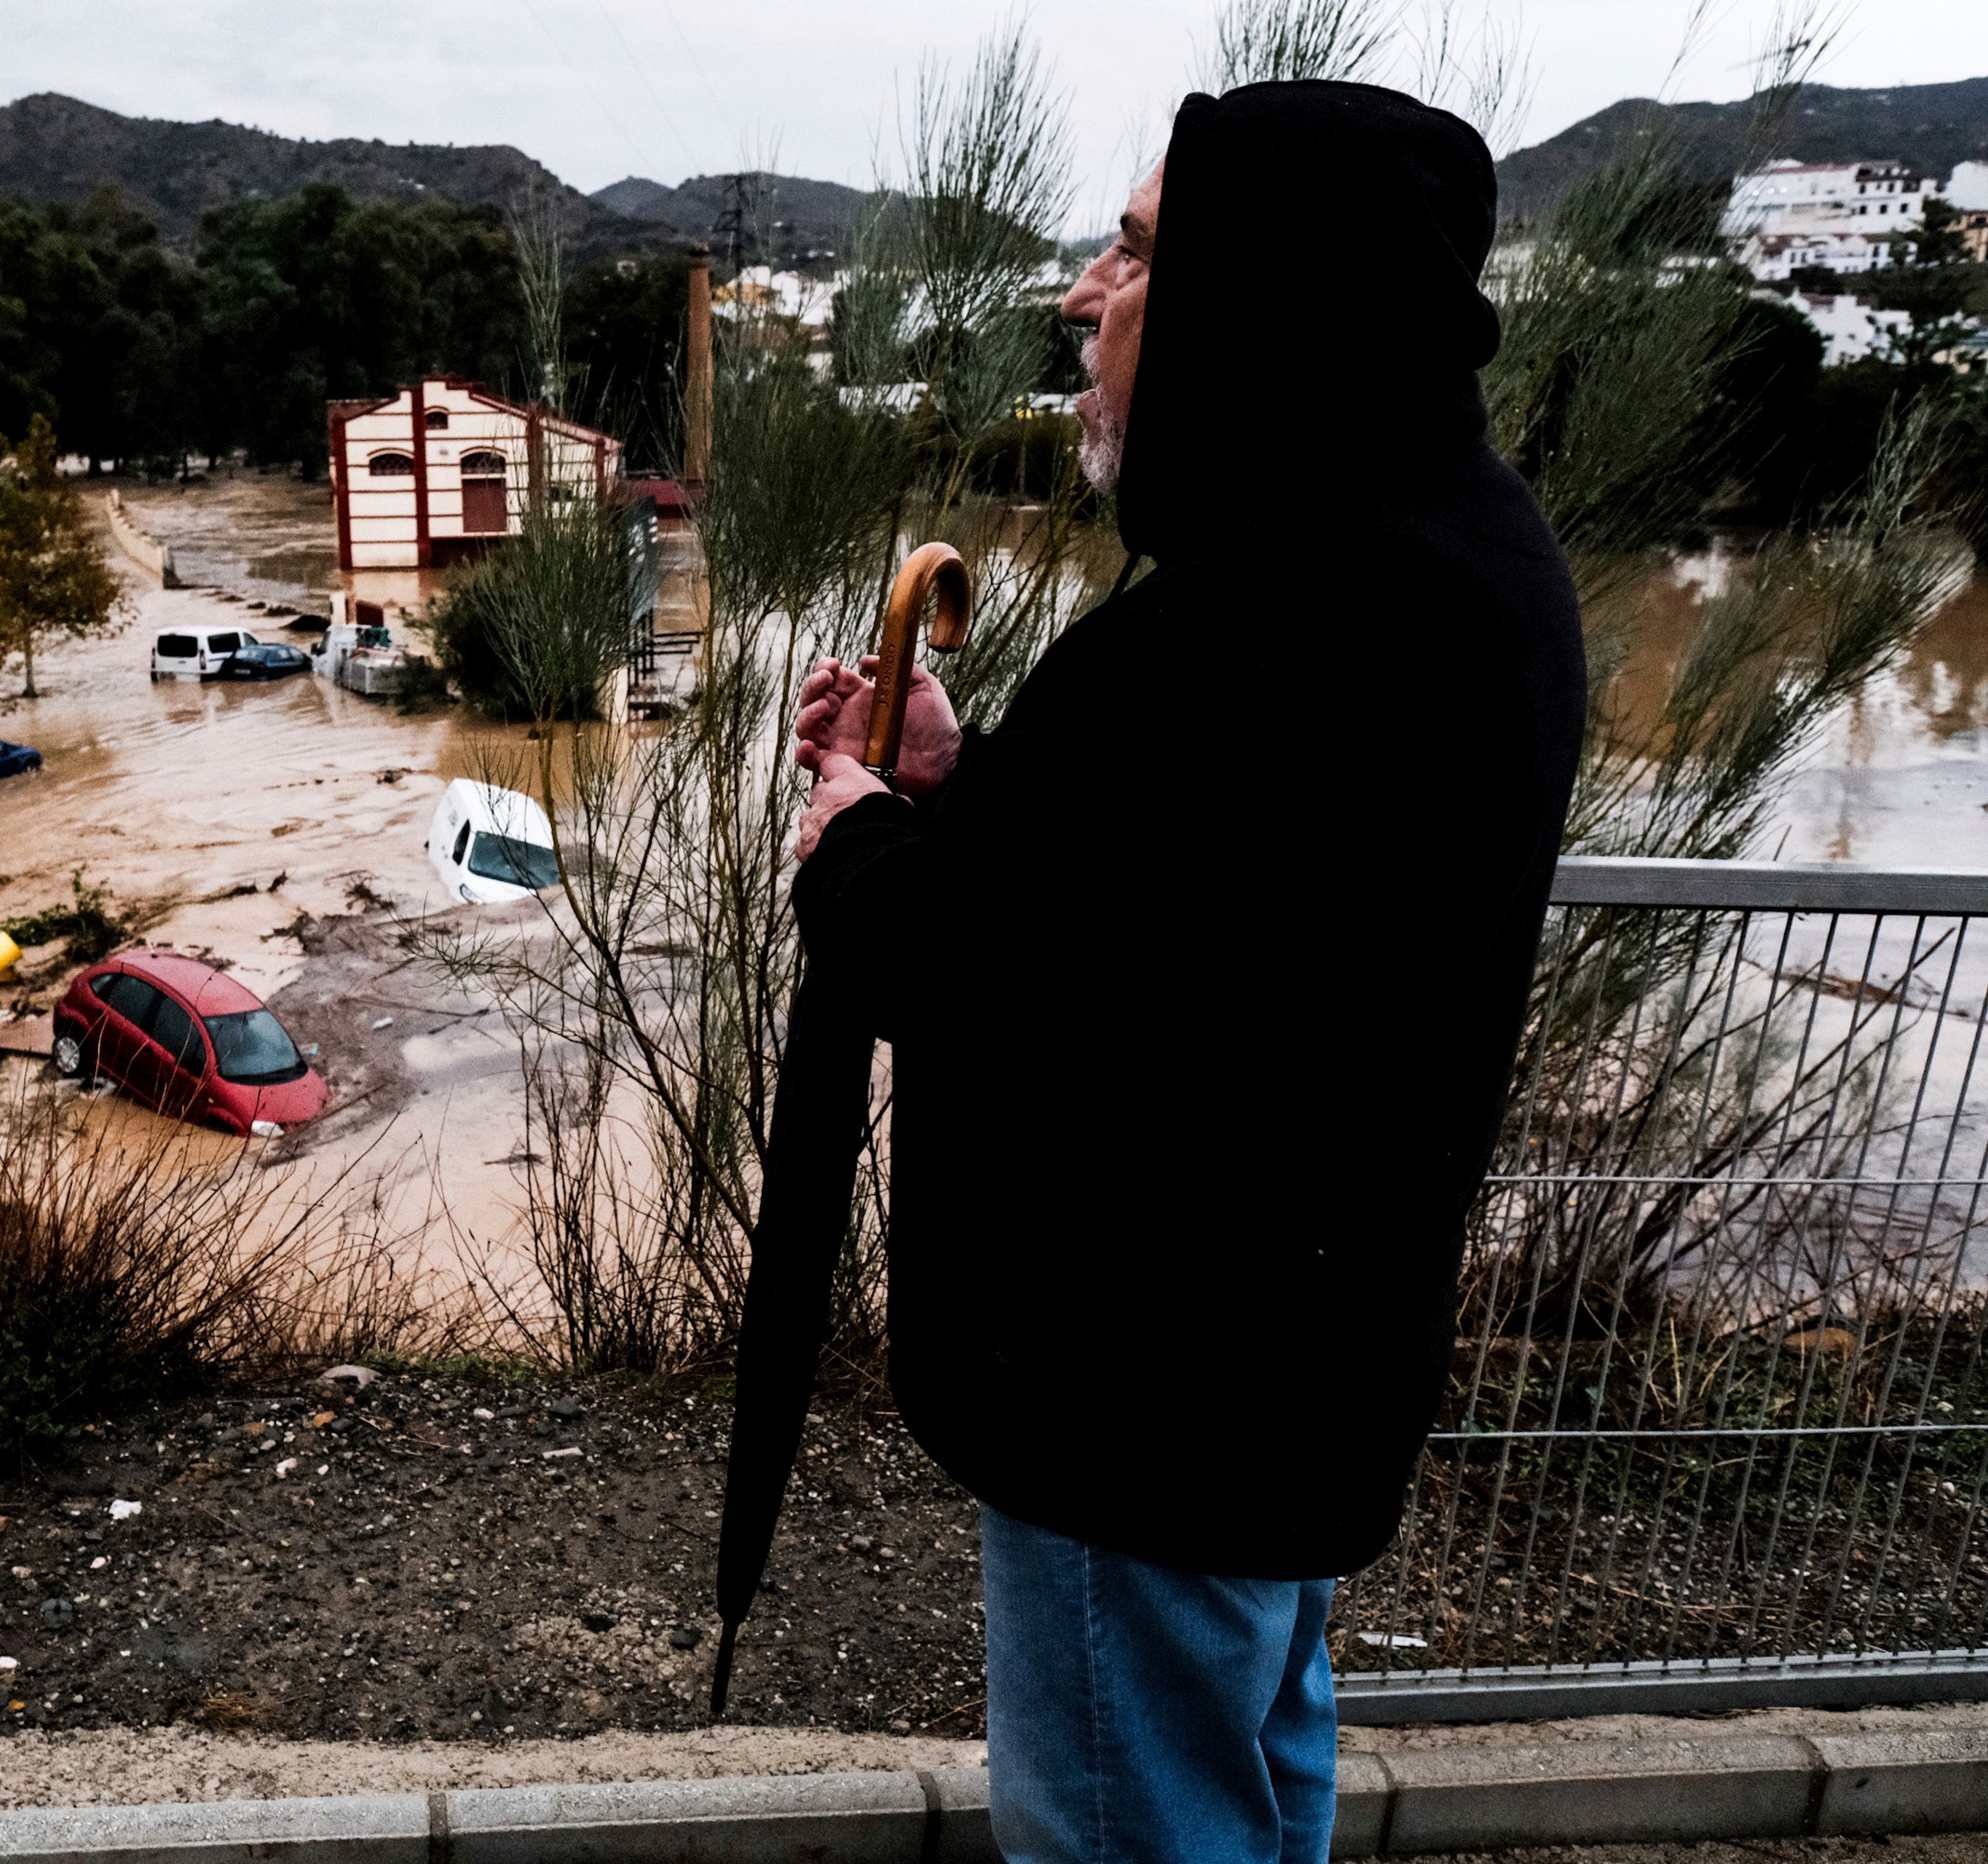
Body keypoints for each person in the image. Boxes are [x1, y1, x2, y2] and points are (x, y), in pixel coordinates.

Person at [787, 82, 1587, 1864]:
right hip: (1286, 1381)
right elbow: (1207, 921)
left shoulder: (1274, 615)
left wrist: (850, 845)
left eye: (1136, 251)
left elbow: (1037, 986)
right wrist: (955, 776)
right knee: (1249, 1795)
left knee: (1137, 1835)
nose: (1080, 293)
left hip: (1147, 1405)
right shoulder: (1450, 557)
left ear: (1267, 293)